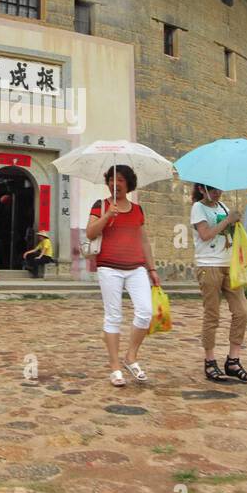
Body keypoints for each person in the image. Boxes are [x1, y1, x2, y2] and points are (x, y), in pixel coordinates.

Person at [86, 164, 159, 388]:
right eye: (111, 179)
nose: (115, 184)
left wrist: (152, 269)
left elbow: (144, 241)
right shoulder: (101, 205)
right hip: (109, 267)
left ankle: (131, 357)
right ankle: (115, 366)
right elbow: (90, 233)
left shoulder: (138, 210)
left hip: (136, 267)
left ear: (128, 184)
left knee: (145, 311)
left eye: (120, 180)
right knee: (113, 316)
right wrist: (108, 215)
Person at [189, 182, 247, 382]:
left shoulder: (223, 207)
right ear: (201, 189)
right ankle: (209, 361)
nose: (217, 193)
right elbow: (205, 235)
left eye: (219, 189)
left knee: (241, 312)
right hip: (209, 265)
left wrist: (236, 221)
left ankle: (233, 360)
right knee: (212, 315)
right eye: (213, 189)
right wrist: (227, 221)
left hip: (229, 264)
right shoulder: (198, 208)